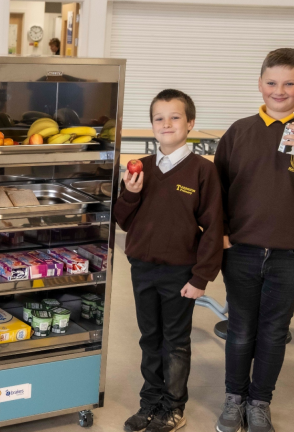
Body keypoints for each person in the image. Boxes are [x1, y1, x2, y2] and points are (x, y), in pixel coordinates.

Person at [214, 48, 294, 432]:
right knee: (240, 328)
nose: (279, 90)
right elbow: (218, 190)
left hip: (293, 252)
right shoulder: (239, 131)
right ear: (260, 84)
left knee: (273, 331)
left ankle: (260, 402)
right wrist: (219, 235)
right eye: (271, 82)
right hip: (243, 250)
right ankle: (234, 398)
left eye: (289, 83)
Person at [115, 89, 224, 432]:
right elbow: (122, 219)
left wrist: (201, 277)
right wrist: (131, 194)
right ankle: (150, 401)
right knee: (150, 337)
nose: (166, 124)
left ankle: (173, 406)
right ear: (151, 125)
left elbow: (213, 228)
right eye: (159, 118)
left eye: (175, 117)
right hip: (143, 267)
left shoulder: (202, 172)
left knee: (175, 341)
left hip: (180, 272)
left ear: (190, 123)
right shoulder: (140, 168)